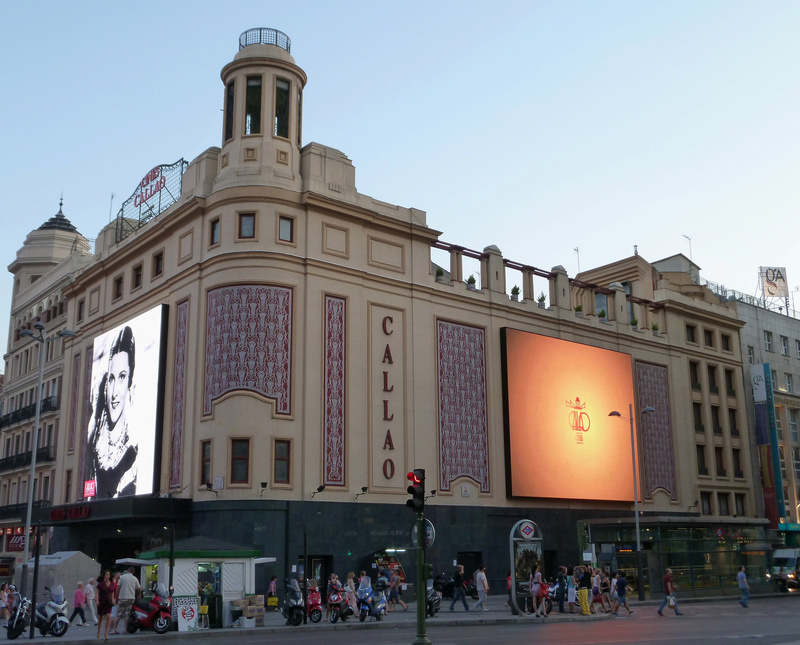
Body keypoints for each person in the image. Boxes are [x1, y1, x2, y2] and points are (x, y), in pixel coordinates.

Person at [87, 326, 139, 498]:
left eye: (122, 377)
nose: (115, 391)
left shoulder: (133, 453)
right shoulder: (94, 446)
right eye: (111, 378)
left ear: (130, 382)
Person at [115, 567, 140, 634]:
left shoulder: (122, 577)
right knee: (127, 614)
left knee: (118, 614)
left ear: (128, 570)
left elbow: (118, 588)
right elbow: (139, 588)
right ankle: (125, 630)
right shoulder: (135, 578)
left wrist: (116, 597)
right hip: (131, 598)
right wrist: (138, 594)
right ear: (133, 572)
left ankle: (113, 629)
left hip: (122, 597)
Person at [96, 570, 115, 641]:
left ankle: (106, 633)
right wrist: (97, 600)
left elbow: (112, 592)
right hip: (101, 602)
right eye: (107, 574)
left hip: (108, 602)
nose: (108, 576)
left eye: (109, 574)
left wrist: (113, 599)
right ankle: (98, 632)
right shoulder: (100, 584)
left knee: (108, 616)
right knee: (100, 618)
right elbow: (97, 593)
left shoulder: (112, 583)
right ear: (104, 575)